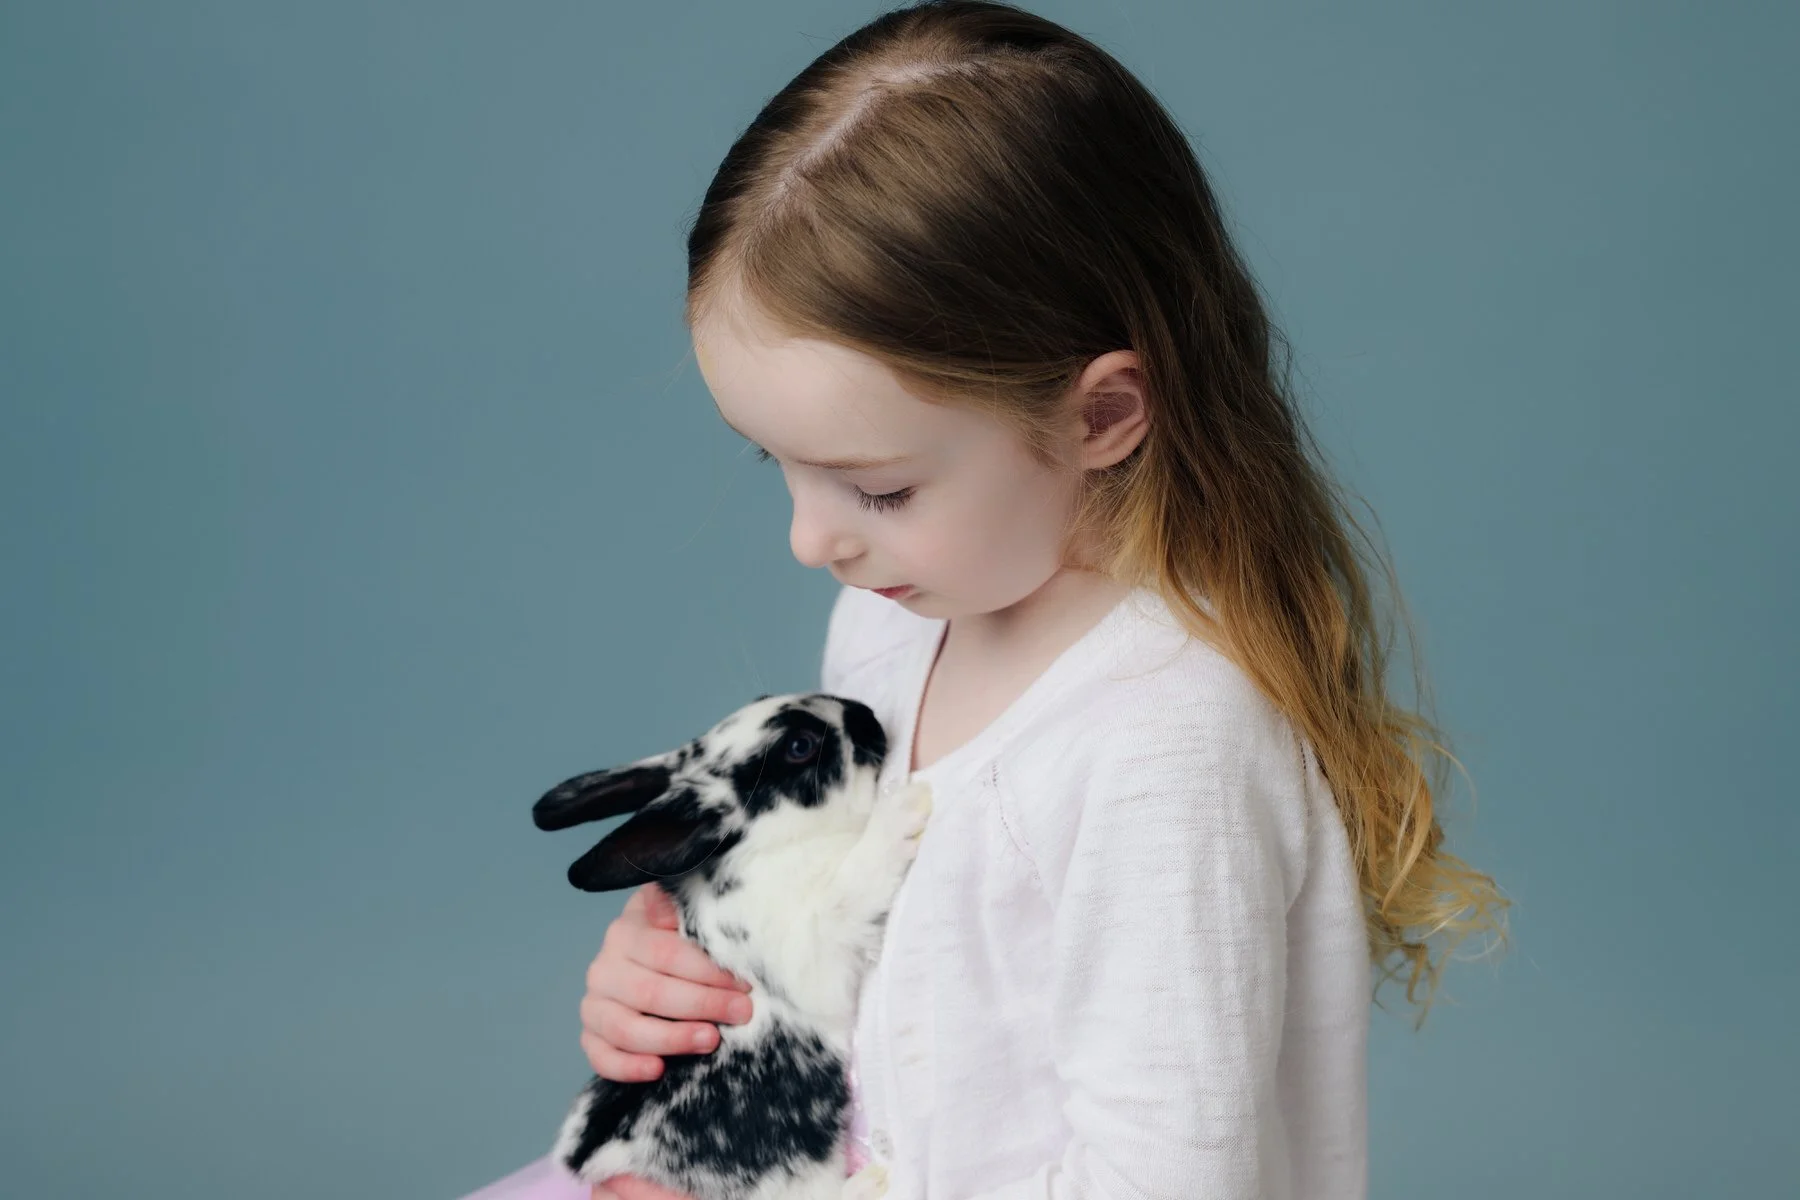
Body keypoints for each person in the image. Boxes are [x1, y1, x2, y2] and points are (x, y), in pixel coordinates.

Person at [458, 2, 1510, 1198]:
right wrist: (674, 999)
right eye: (779, 467)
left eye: (880, 486)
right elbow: (867, 1004)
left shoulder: (1164, 755)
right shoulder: (900, 618)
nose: (810, 540)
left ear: (1102, 413)